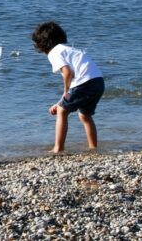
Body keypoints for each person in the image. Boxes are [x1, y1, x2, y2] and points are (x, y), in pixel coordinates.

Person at [30, 21, 104, 153]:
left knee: (62, 111)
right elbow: (74, 83)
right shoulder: (69, 50)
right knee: (85, 115)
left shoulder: (54, 52)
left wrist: (64, 96)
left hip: (85, 82)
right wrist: (61, 100)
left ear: (42, 44)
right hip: (98, 81)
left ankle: (58, 148)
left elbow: (68, 73)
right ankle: (93, 148)